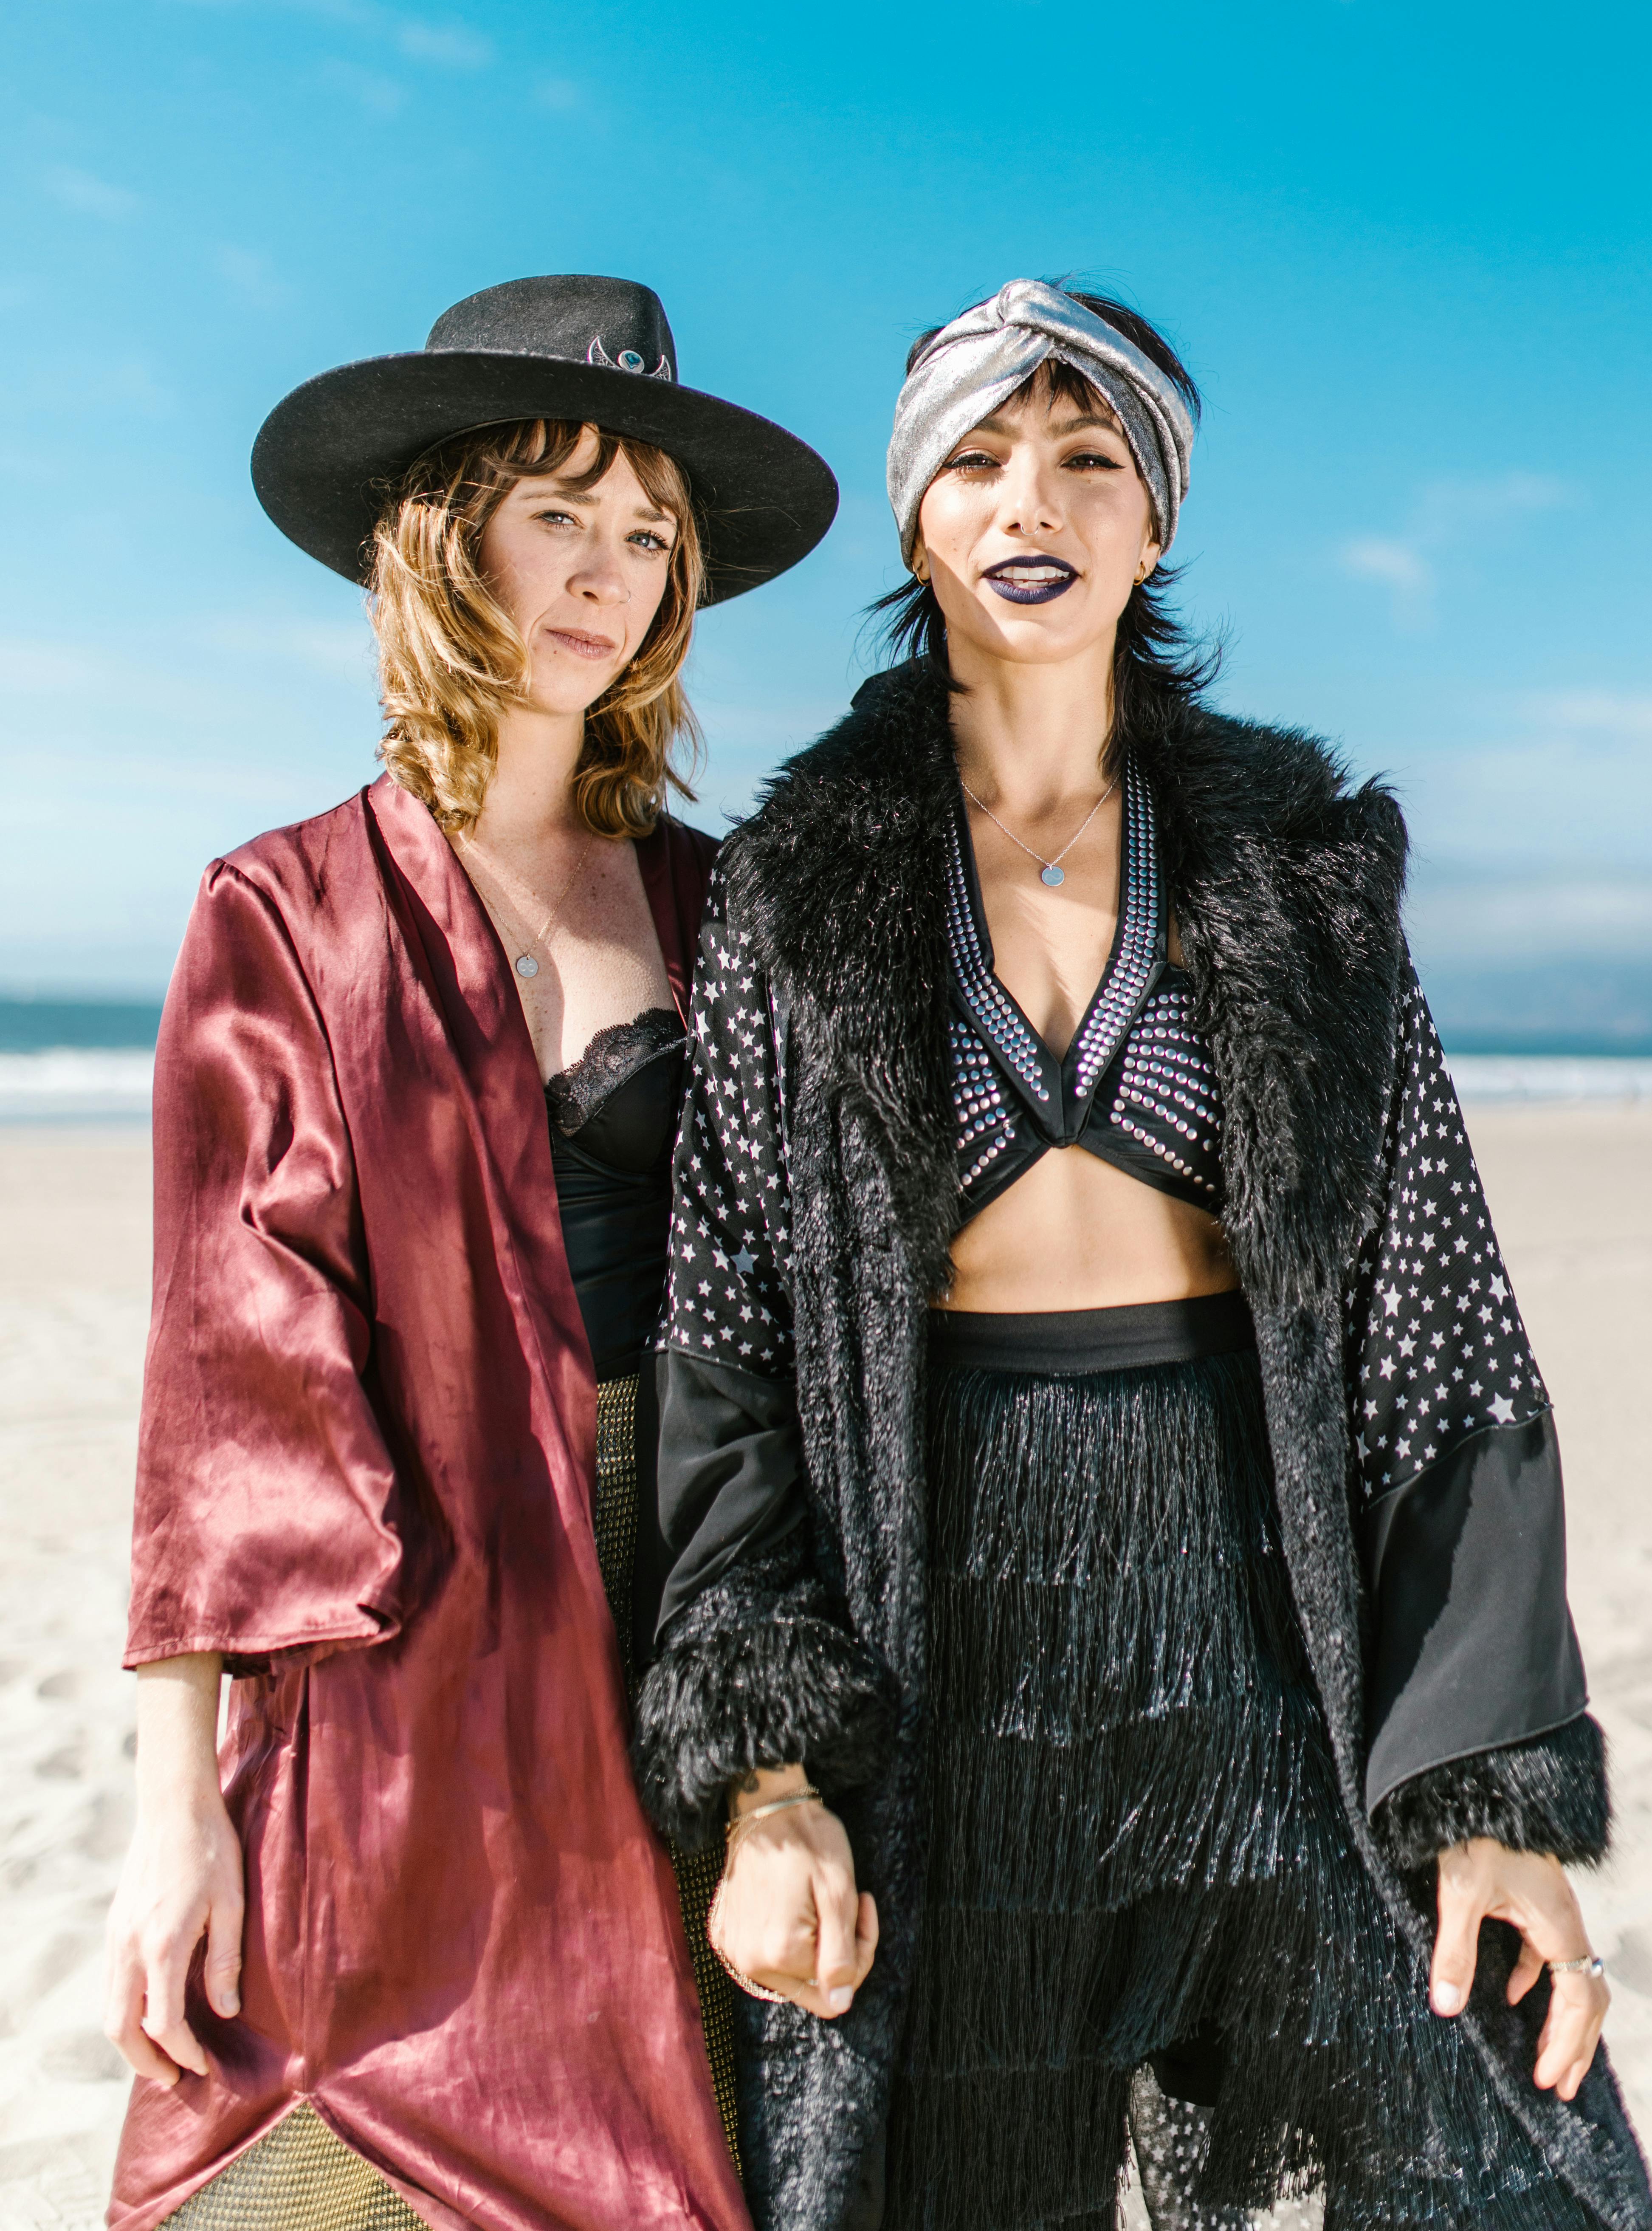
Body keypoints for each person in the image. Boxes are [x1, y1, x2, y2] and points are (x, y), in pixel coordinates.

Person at [631, 280, 1650, 2231]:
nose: (1038, 502)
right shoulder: (799, 879)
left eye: (1092, 460)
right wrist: (767, 1773)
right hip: (949, 1639)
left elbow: (1430, 1318)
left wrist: (1494, 1790)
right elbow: (730, 1337)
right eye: (984, 459)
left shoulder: (1300, 860)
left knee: (1477, 2131)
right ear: (916, 514)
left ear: (1156, 518)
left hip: (1265, 1621)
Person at [103, 275, 836, 2231]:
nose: (609, 574)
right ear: (446, 531)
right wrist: (174, 1816)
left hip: (696, 1601)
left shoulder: (727, 899)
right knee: (314, 2157)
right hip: (400, 1655)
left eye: (648, 535)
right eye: (559, 514)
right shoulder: (283, 907)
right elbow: (215, 1392)